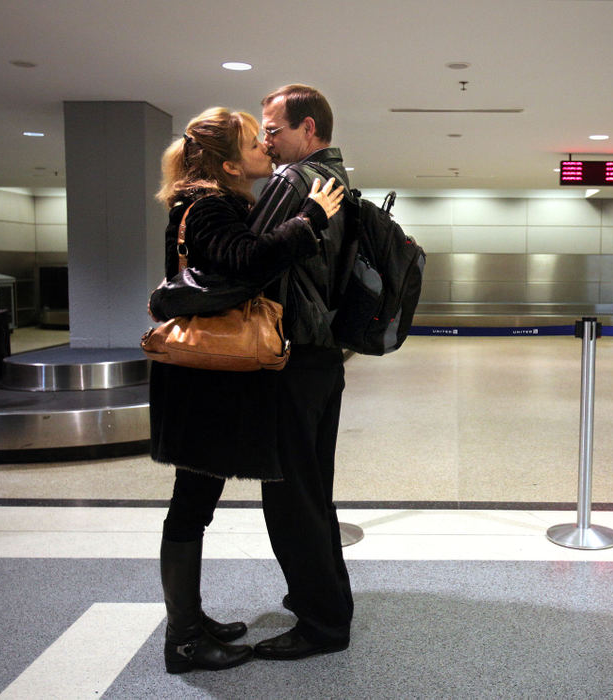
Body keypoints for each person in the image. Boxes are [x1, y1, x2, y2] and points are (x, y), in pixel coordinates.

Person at [150, 106, 343, 674]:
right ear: (231, 162)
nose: (267, 146)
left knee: (194, 503)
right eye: (255, 142)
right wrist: (308, 218)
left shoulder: (211, 202)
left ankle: (189, 622)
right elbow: (247, 264)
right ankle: (184, 640)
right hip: (204, 379)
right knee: (190, 505)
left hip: (205, 377)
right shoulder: (209, 205)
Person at [244, 84, 355, 661]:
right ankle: (331, 607)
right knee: (314, 492)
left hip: (290, 354)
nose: (267, 139)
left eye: (275, 129)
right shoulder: (338, 179)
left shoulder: (292, 182)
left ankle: (320, 625)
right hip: (324, 358)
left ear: (308, 129)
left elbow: (249, 259)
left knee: (289, 497)